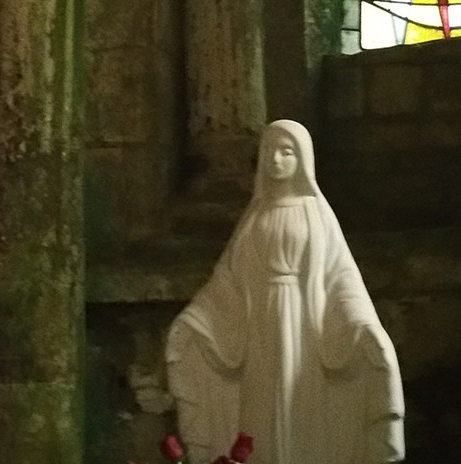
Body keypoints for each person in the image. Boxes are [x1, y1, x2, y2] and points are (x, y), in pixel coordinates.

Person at [166, 120, 405, 464]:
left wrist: (361, 323)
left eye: (286, 151)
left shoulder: (317, 215)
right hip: (259, 331)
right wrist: (198, 318)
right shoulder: (254, 218)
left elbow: (340, 276)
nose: (277, 159)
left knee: (303, 402)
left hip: (305, 326)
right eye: (270, 152)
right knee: (260, 410)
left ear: (302, 159)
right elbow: (228, 281)